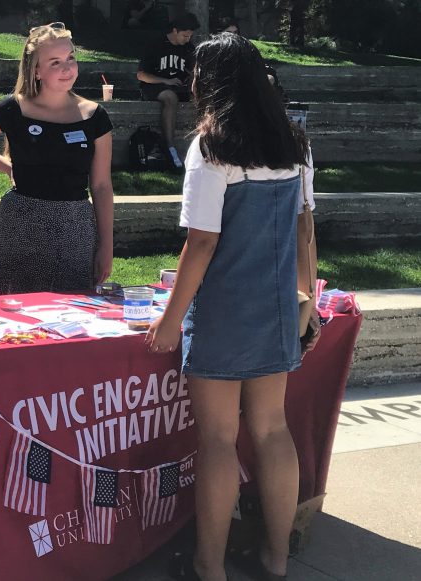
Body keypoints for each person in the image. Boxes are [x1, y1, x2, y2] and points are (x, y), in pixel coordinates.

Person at [145, 33, 320, 581]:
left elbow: (201, 243)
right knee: (273, 431)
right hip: (275, 309)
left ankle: (208, 565)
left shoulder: (211, 147)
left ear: (211, 81)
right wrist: (307, 300)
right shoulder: (294, 143)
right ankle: (275, 556)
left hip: (223, 310)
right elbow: (306, 230)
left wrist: (171, 319)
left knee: (218, 438)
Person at [0, 22, 113, 295]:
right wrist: (6, 166)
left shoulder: (95, 116)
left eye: (71, 58)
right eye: (55, 62)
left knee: (72, 317)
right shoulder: (12, 108)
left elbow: (101, 186)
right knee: (13, 318)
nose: (67, 68)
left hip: (75, 228)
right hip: (20, 226)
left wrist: (106, 246)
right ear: (36, 70)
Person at [137, 12, 200, 170]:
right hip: (154, 87)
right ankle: (170, 146)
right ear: (175, 30)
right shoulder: (155, 45)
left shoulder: (188, 48)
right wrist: (165, 80)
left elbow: (194, 71)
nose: (188, 39)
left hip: (179, 87)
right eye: (185, 36)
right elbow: (142, 75)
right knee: (170, 97)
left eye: (190, 36)